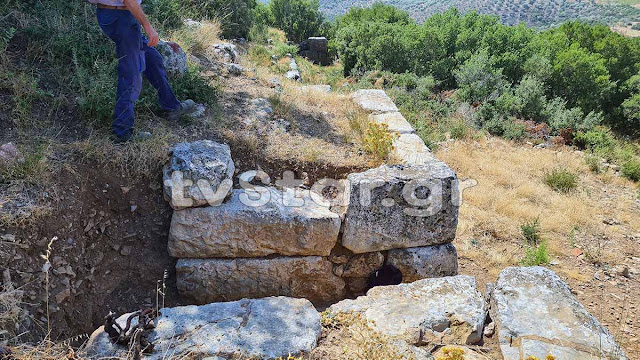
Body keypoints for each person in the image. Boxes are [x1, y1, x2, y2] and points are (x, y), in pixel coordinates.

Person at [89, 0, 196, 142]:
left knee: (152, 58)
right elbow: (130, 1)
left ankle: (171, 106)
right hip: (122, 16)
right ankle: (122, 132)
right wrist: (148, 26)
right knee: (131, 75)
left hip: (112, 13)